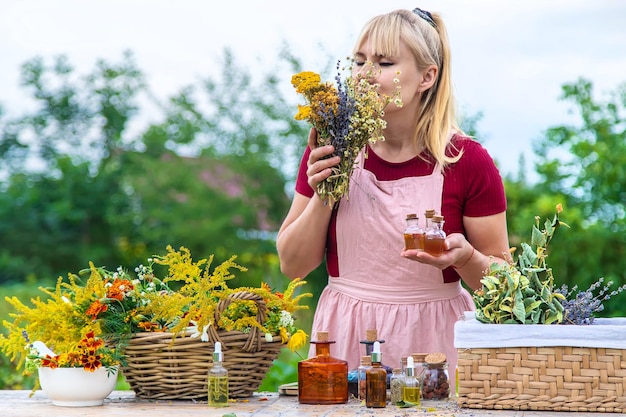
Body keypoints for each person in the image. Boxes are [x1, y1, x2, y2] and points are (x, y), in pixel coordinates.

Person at [276, 8, 511, 376]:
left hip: (437, 347)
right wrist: (326, 193)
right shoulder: (330, 147)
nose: (364, 75)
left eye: (384, 63)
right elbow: (293, 264)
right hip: (345, 338)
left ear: (427, 77)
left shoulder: (466, 160)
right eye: (358, 62)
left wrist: (465, 259)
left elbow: (505, 287)